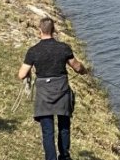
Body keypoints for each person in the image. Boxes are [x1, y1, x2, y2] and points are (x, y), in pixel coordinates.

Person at [18, 17, 89, 160]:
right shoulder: (63, 48)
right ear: (54, 30)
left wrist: (31, 72)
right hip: (62, 91)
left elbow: (21, 74)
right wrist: (84, 70)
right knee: (64, 127)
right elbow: (76, 67)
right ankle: (64, 156)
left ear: (40, 31)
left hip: (44, 94)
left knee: (47, 131)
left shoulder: (33, 51)